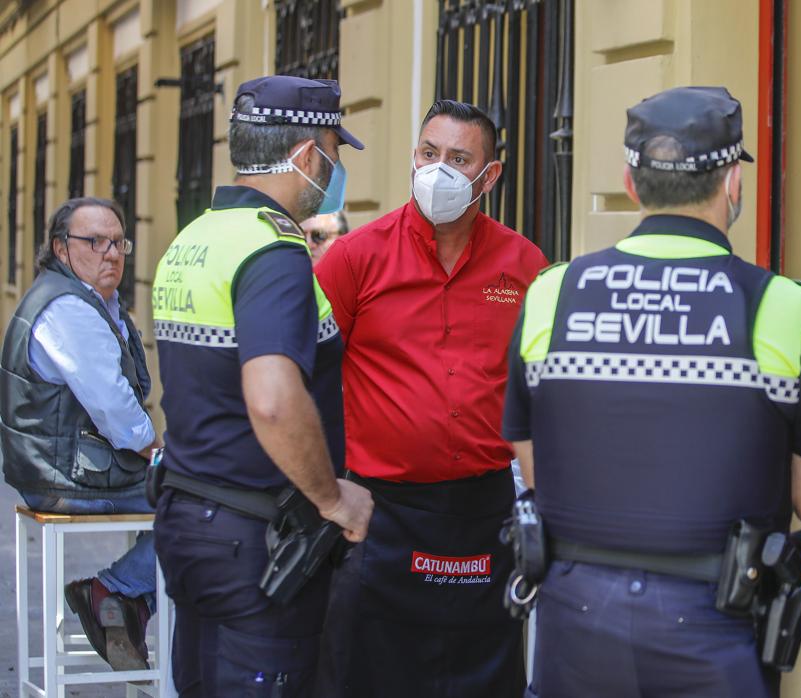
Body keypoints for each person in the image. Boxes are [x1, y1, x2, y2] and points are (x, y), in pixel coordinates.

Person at [502, 86, 801, 698]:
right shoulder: (783, 308)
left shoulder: (549, 296)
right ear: (731, 185)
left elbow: (535, 467)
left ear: (631, 185)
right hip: (717, 631)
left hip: (574, 624)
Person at [314, 99, 547, 697]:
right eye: (427, 153)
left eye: (458, 158)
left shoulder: (525, 266)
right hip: (380, 512)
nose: (436, 169)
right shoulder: (354, 258)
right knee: (369, 675)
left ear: (488, 176)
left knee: (482, 677)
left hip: (483, 513)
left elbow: (540, 391)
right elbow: (305, 375)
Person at [149, 75, 373, 696]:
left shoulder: (195, 237)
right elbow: (272, 398)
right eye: (333, 151)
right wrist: (332, 499)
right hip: (257, 539)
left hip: (191, 519)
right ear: (306, 156)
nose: (334, 172)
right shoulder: (273, 249)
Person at [0, 197, 161, 671]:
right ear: (61, 248)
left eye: (118, 242)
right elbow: (114, 407)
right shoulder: (67, 307)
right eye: (94, 241)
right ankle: (116, 592)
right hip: (63, 477)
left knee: (185, 489)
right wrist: (155, 450)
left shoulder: (95, 301)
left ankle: (125, 608)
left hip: (65, 468)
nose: (110, 252)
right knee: (195, 500)